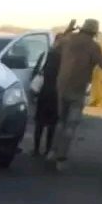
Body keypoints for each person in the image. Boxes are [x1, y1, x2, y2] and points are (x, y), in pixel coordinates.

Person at [47, 19, 102, 169]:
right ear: (94, 33)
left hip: (61, 86)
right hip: (78, 89)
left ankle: (52, 152)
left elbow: (54, 48)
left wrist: (67, 30)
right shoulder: (93, 47)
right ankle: (61, 157)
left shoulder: (68, 40)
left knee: (61, 121)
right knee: (71, 125)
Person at [30, 20, 76, 156]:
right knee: (52, 125)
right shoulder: (67, 60)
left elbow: (36, 72)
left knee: (39, 123)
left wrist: (34, 92)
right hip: (57, 94)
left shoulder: (47, 55)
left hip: (44, 92)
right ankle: (48, 150)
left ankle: (36, 149)